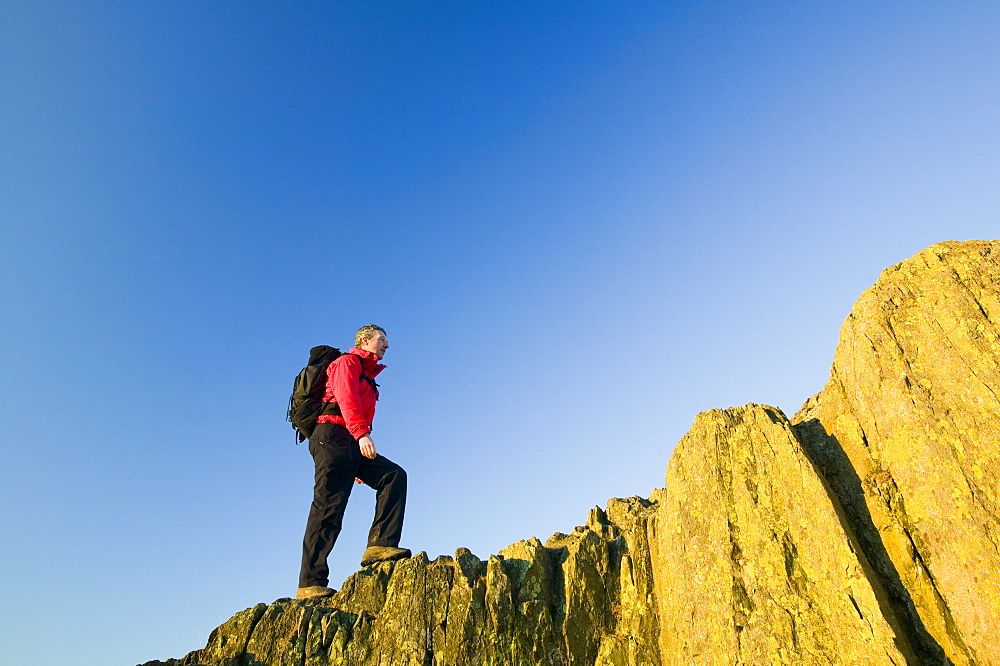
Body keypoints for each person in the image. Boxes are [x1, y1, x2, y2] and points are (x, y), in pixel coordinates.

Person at [296, 324, 410, 600]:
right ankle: (310, 583)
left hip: (349, 442)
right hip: (332, 435)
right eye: (382, 339)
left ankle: (380, 545)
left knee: (393, 476)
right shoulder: (347, 363)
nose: (386, 345)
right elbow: (346, 399)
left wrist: (357, 453)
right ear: (365, 340)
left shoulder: (369, 377)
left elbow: (359, 408)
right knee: (328, 509)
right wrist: (362, 435)